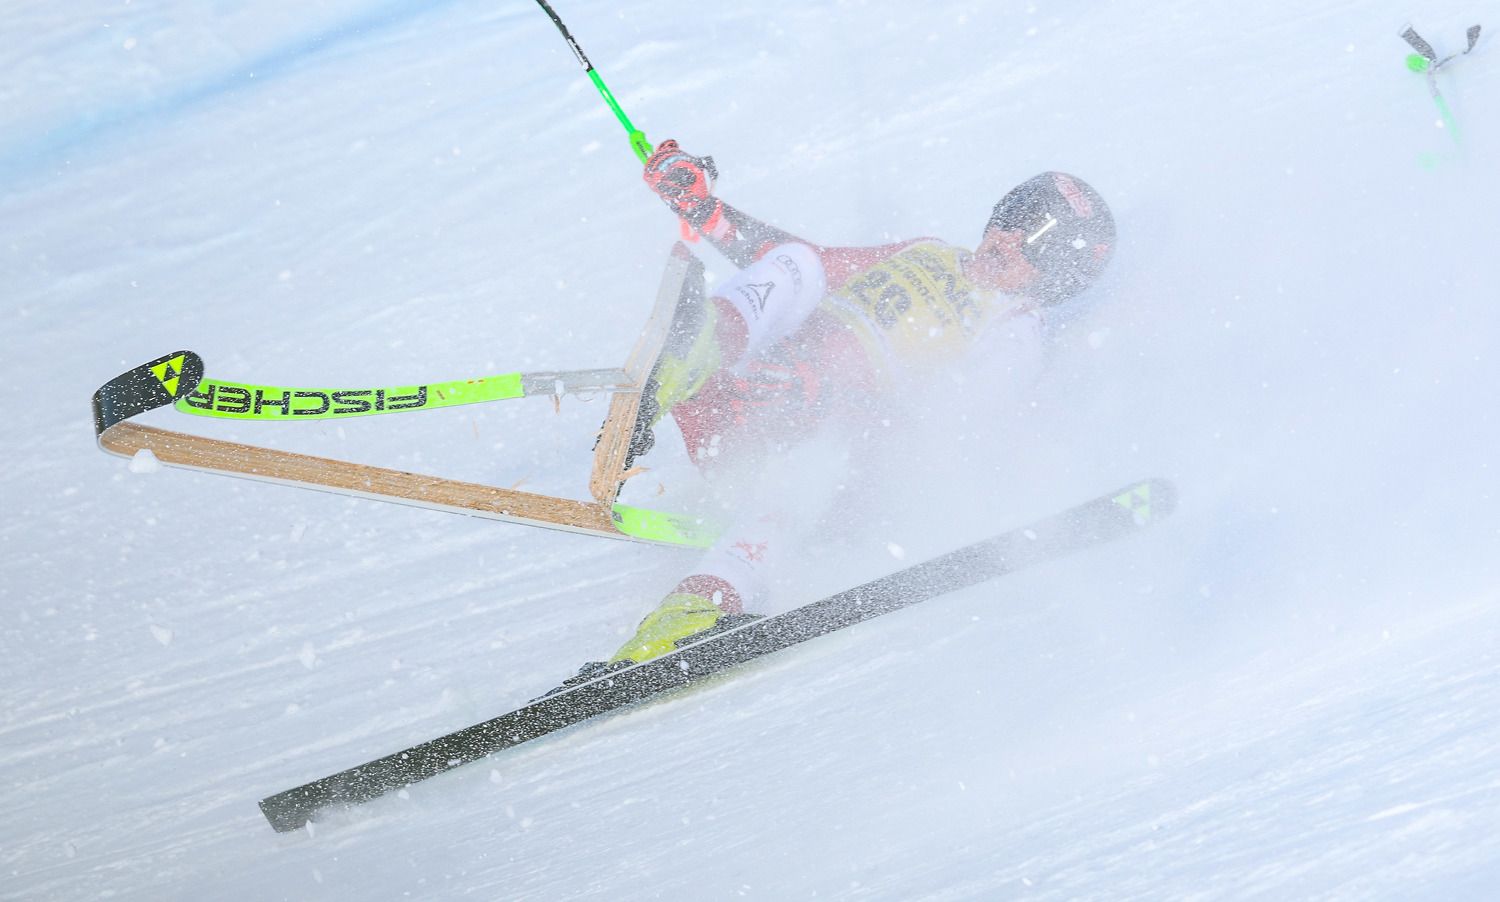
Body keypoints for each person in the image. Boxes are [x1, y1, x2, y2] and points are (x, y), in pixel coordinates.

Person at [598, 139, 1117, 669]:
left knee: (805, 469)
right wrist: (706, 212)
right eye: (1014, 218)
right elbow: (803, 264)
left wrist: (833, 391)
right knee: (800, 262)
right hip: (741, 409)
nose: (1010, 239)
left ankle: (691, 613)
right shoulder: (929, 250)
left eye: (1038, 242)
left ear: (1056, 275)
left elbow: (944, 434)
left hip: (836, 470)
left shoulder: (1015, 330)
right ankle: (687, 358)